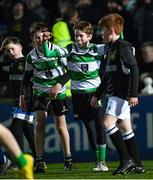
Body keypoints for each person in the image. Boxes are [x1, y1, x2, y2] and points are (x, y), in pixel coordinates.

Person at [42, 21, 108, 172]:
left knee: (99, 126)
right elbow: (49, 53)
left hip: (95, 93)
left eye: (81, 36)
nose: (78, 39)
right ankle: (97, 161)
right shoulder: (70, 49)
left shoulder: (97, 49)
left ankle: (102, 161)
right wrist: (46, 41)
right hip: (78, 95)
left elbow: (121, 46)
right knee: (89, 128)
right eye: (76, 35)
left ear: (89, 36)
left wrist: (119, 31)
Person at [90, 13, 145, 175]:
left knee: (107, 123)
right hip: (114, 93)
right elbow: (107, 74)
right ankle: (138, 164)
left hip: (121, 94)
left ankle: (126, 160)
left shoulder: (123, 46)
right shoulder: (110, 48)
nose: (101, 34)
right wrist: (97, 94)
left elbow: (134, 68)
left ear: (112, 30)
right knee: (125, 128)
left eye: (102, 30)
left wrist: (133, 94)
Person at [20, 22, 73, 172]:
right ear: (32, 38)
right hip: (40, 92)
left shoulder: (58, 51)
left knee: (61, 127)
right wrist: (23, 95)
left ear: (47, 36)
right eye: (36, 38)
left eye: (42, 37)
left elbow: (69, 72)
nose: (39, 40)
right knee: (39, 124)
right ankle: (40, 161)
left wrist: (58, 85)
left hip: (58, 92)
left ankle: (68, 159)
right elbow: (26, 77)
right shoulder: (31, 57)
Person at [1, 36, 37, 162]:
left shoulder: (27, 62)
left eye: (12, 49)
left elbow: (31, 82)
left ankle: (19, 160)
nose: (10, 52)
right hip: (18, 102)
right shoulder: (12, 64)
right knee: (28, 132)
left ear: (20, 47)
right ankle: (39, 160)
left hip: (26, 102)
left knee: (15, 127)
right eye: (7, 51)